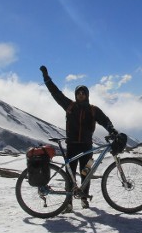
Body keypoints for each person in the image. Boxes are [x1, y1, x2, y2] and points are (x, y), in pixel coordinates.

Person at [40, 65, 118, 211]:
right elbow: (55, 93)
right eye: (78, 93)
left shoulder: (93, 110)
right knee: (70, 176)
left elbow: (105, 120)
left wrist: (111, 129)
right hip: (72, 146)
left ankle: (84, 199)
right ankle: (68, 203)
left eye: (83, 93)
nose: (81, 95)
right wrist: (46, 78)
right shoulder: (69, 106)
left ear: (87, 95)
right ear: (76, 95)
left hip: (87, 147)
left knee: (86, 173)